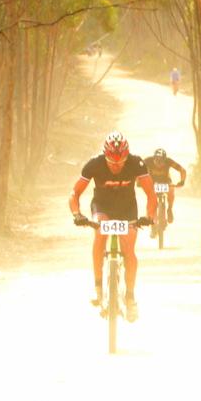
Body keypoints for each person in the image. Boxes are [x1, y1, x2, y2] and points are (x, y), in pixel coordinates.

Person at [70, 132, 156, 321]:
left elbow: (151, 193)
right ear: (104, 155)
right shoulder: (94, 164)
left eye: (120, 162)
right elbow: (75, 193)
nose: (116, 166)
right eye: (111, 162)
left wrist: (150, 216)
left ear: (127, 156)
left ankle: (130, 297)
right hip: (102, 206)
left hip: (127, 209)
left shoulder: (137, 163)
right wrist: (77, 214)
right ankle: (98, 288)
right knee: (100, 234)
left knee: (129, 249)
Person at [144, 147, 188, 236]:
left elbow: (182, 170)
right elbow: (137, 171)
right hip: (152, 182)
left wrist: (182, 181)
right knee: (151, 200)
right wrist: (139, 182)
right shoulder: (147, 161)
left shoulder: (169, 161)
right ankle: (152, 221)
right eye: (157, 162)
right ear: (154, 159)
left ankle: (169, 209)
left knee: (171, 190)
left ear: (165, 160)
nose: (159, 165)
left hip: (166, 181)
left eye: (162, 162)